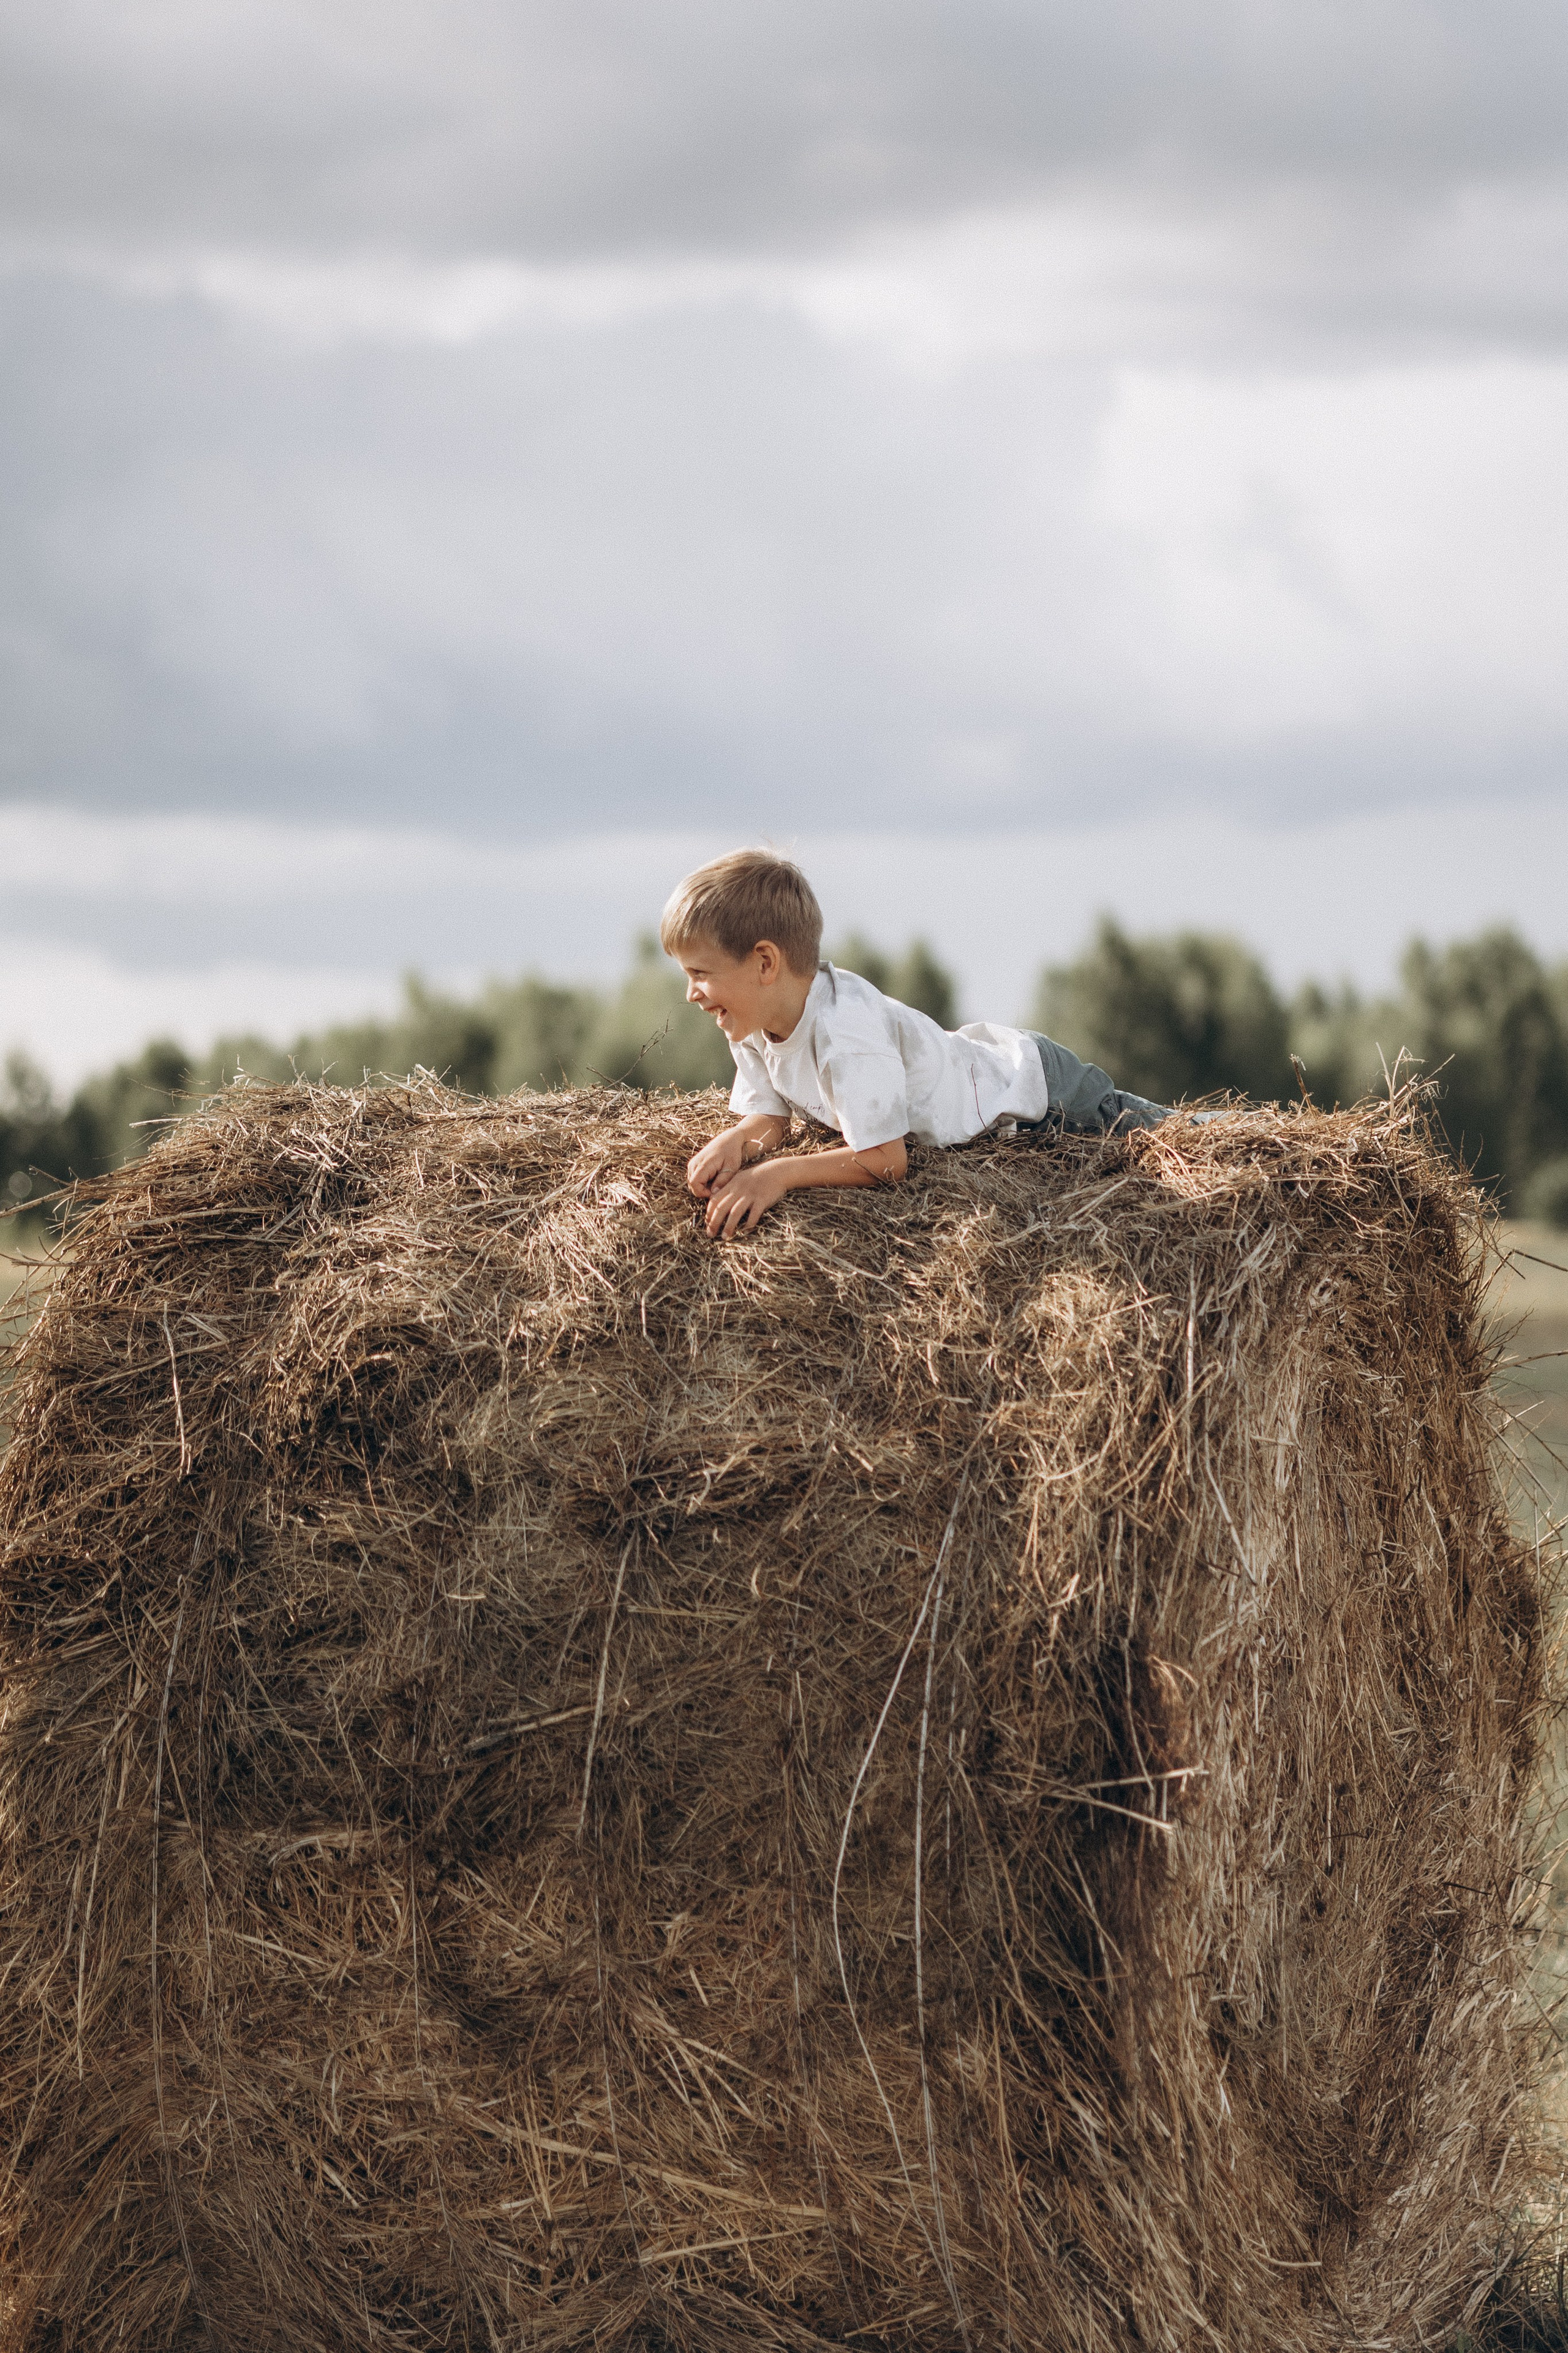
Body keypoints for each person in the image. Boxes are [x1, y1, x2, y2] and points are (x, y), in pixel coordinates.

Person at [663, 848, 1171, 1239]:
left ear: (765, 964)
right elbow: (770, 1119)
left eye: (700, 974)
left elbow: (886, 1159)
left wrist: (776, 1176)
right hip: (987, 1087)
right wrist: (734, 1145)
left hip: (1037, 1092)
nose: (691, 993)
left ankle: (1245, 1127)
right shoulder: (751, 1022)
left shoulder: (847, 1035)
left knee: (1170, 1135)